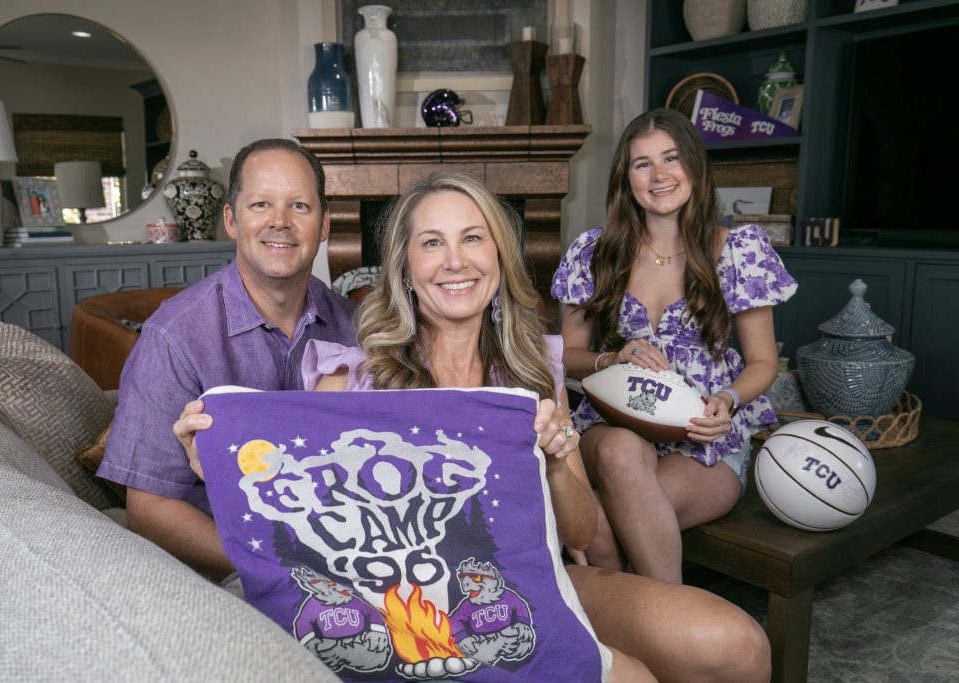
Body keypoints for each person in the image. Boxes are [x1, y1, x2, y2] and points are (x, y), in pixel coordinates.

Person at [177, 172, 771, 682]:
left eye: (472, 238)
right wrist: (217, 467)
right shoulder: (350, 377)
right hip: (404, 611)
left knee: (738, 644)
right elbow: (300, 527)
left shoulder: (532, 371)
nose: (455, 260)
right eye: (432, 243)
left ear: (498, 255)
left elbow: (581, 530)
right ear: (406, 267)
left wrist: (562, 460)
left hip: (533, 580)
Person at [552, 108, 798, 583]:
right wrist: (613, 357)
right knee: (622, 454)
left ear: (695, 167)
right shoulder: (594, 253)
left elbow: (764, 362)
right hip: (614, 424)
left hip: (703, 441)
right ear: (627, 178)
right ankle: (673, 628)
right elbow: (567, 358)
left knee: (601, 521)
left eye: (671, 158)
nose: (659, 175)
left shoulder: (739, 250)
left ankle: (632, 624)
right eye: (643, 164)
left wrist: (727, 400)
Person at [98, 138, 356, 582]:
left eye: (299, 206)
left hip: (348, 558)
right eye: (260, 204)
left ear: (325, 224)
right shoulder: (173, 338)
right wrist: (278, 571)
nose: (280, 222)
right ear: (231, 220)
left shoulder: (357, 326)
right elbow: (148, 510)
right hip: (231, 569)